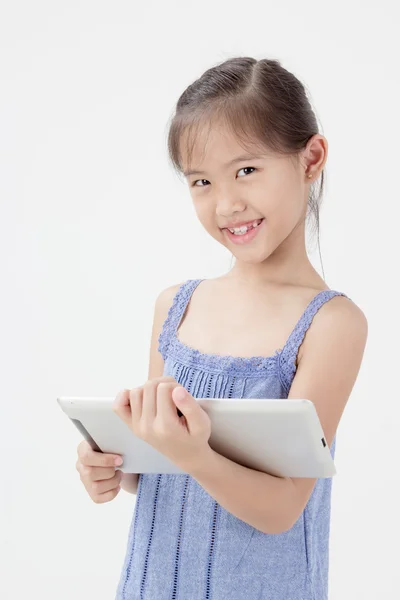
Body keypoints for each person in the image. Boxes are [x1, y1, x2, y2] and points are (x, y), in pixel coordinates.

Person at [76, 56, 368, 600]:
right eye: (202, 181)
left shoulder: (331, 323)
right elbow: (157, 455)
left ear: (311, 158)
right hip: (148, 586)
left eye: (247, 170)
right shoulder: (176, 306)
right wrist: (113, 468)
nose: (227, 203)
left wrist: (195, 455)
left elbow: (283, 508)